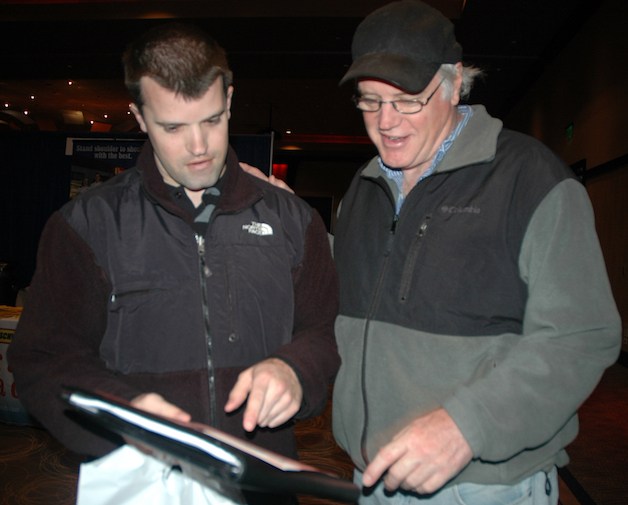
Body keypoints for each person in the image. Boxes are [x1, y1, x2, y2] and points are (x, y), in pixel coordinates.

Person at [8, 22, 339, 504]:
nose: (199, 146)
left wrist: (295, 369)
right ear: (140, 117)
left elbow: (326, 331)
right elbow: (42, 361)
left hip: (259, 484)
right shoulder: (86, 224)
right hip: (140, 481)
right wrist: (126, 410)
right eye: (173, 128)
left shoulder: (293, 220)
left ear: (229, 99)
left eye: (211, 120)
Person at [329, 1, 621, 504]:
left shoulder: (529, 178)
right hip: (374, 478)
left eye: (408, 101)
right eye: (370, 102)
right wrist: (286, 222)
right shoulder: (365, 186)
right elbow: (358, 294)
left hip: (486, 486)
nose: (387, 122)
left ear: (454, 82)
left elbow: (580, 336)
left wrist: (466, 426)